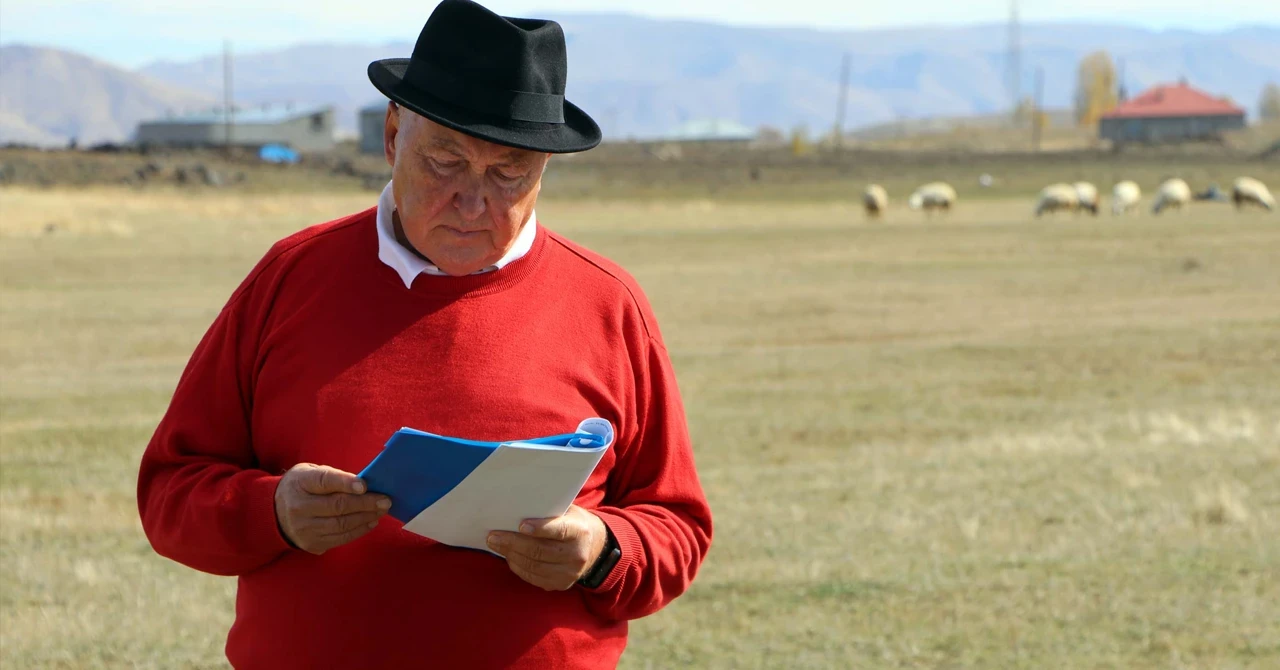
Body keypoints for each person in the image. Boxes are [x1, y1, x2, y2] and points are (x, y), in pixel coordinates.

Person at [135, 1, 713, 667]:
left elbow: (679, 528)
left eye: (508, 172)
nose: (474, 201)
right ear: (391, 136)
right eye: (445, 159)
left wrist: (602, 549)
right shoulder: (290, 280)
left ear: (544, 172)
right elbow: (170, 492)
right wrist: (274, 512)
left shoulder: (608, 304)